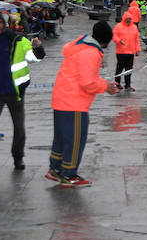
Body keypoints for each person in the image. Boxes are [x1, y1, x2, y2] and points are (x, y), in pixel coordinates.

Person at [46, 21, 121, 188]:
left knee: (60, 138)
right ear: (106, 41)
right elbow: (88, 83)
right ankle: (69, 174)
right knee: (75, 140)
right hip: (74, 103)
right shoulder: (92, 53)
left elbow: (83, 76)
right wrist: (105, 87)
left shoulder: (80, 46)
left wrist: (103, 83)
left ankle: (55, 169)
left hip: (61, 99)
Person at [0, 13, 45, 172]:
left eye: (0, 23)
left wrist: (38, 47)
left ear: (4, 24)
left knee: (19, 126)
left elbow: (35, 57)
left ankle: (18, 158)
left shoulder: (17, 39)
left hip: (14, 91)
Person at [112, 12, 141, 91]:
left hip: (130, 52)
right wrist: (119, 41)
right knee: (119, 69)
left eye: (130, 19)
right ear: (124, 19)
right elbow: (114, 36)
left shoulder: (134, 27)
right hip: (121, 52)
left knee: (129, 70)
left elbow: (137, 39)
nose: (128, 21)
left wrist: (138, 49)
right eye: (127, 19)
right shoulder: (118, 26)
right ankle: (117, 84)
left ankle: (128, 85)